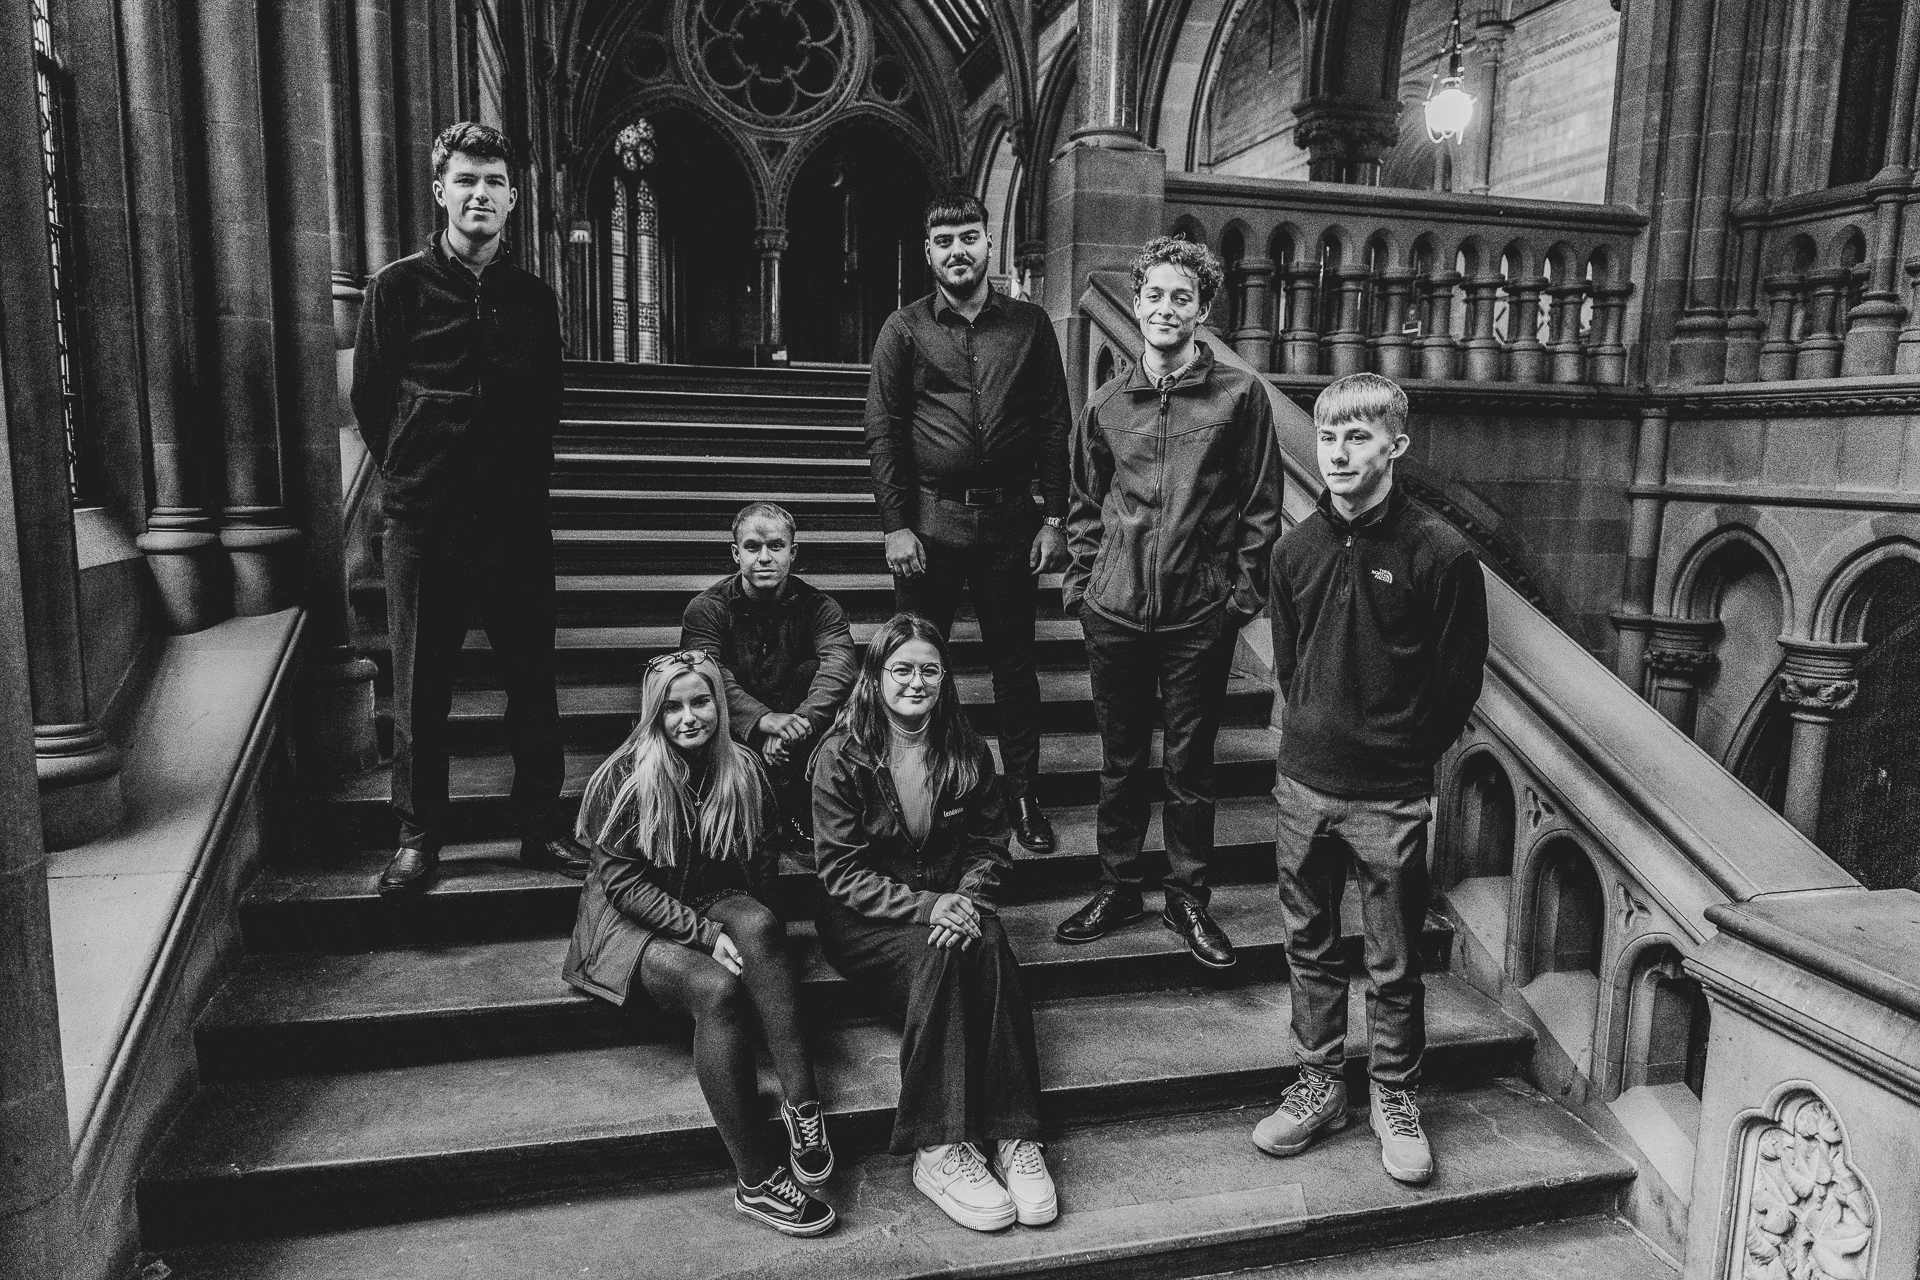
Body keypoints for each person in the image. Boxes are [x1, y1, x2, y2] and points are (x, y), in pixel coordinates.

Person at [1252, 373, 1488, 1187]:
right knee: (1309, 945)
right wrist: (1314, 733)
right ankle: (1320, 1084)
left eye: (1359, 437)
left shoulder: (1440, 554)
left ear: (1396, 445)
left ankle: (1393, 1092)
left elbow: (1457, 683)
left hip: (1390, 793)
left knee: (1392, 961)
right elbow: (1289, 658)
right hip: (1304, 786)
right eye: (1328, 437)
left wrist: (1399, 753)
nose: (1340, 452)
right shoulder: (1293, 549)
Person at [350, 121, 588, 894]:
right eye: (466, 181)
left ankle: (539, 828)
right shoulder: (397, 287)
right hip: (426, 523)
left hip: (515, 521)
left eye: (493, 183)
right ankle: (421, 839)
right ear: (440, 191)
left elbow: (548, 403)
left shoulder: (533, 299)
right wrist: (418, 471)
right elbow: (371, 399)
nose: (479, 194)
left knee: (532, 683)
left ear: (512, 199)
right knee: (421, 688)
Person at [1054, 237, 1283, 971]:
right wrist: (1084, 586)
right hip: (1114, 613)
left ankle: (1189, 899)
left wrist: (1236, 600)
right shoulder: (1104, 404)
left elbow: (1260, 507)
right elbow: (1085, 504)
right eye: (1154, 294)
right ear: (1138, 301)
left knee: (1190, 764)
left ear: (1202, 309)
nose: (1165, 308)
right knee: (1121, 761)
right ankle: (1118, 885)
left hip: (1196, 616)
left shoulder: (1237, 397)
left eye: (1181, 297)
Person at [562, 649, 837, 1236]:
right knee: (716, 990)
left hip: (704, 891)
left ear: (719, 702)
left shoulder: (742, 767)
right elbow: (623, 883)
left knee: (762, 922)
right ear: (654, 715)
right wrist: (706, 935)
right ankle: (757, 1180)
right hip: (626, 922)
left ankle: (802, 1105)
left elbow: (761, 858)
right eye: (673, 706)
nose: (689, 716)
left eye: (700, 701)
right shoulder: (626, 776)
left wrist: (745, 924)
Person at [809, 614, 1055, 1232]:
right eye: (901, 669)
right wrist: (927, 907)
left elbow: (989, 847)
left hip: (947, 906)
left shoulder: (967, 750)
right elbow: (839, 870)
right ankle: (939, 1149)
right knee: (947, 953)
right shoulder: (842, 754)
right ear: (876, 676)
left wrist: (965, 899)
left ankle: (1013, 1135)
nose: (915, 682)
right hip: (864, 920)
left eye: (928, 669)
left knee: (989, 936)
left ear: (944, 678)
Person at [862, 192, 1073, 855]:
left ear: (990, 244)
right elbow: (885, 433)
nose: (959, 249)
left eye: (970, 237)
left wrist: (1056, 516)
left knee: (1016, 667)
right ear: (929, 253)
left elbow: (1053, 422)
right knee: (920, 663)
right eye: (945, 240)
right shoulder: (903, 330)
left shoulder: (1031, 325)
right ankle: (920, 789)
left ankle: (1023, 795)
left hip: (1011, 521)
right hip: (930, 526)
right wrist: (896, 525)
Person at [681, 502, 857, 859]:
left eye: (775, 546)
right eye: (752, 547)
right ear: (736, 553)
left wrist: (801, 722)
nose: (764, 557)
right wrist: (761, 723)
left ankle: (801, 811)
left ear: (792, 553)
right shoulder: (706, 609)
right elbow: (706, 673)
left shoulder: (820, 607)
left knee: (816, 674)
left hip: (800, 732)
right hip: (734, 733)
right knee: (698, 689)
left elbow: (841, 665)